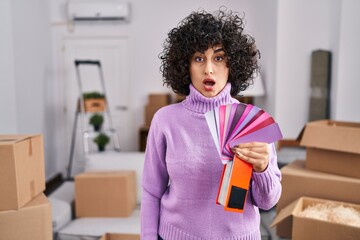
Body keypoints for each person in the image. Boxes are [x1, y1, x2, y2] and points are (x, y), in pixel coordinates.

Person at [141, 8, 281, 240]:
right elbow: (150, 192)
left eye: (218, 57)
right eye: (198, 58)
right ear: (185, 65)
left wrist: (263, 168)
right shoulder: (164, 120)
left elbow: (267, 202)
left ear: (232, 64)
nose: (208, 68)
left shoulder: (250, 121)